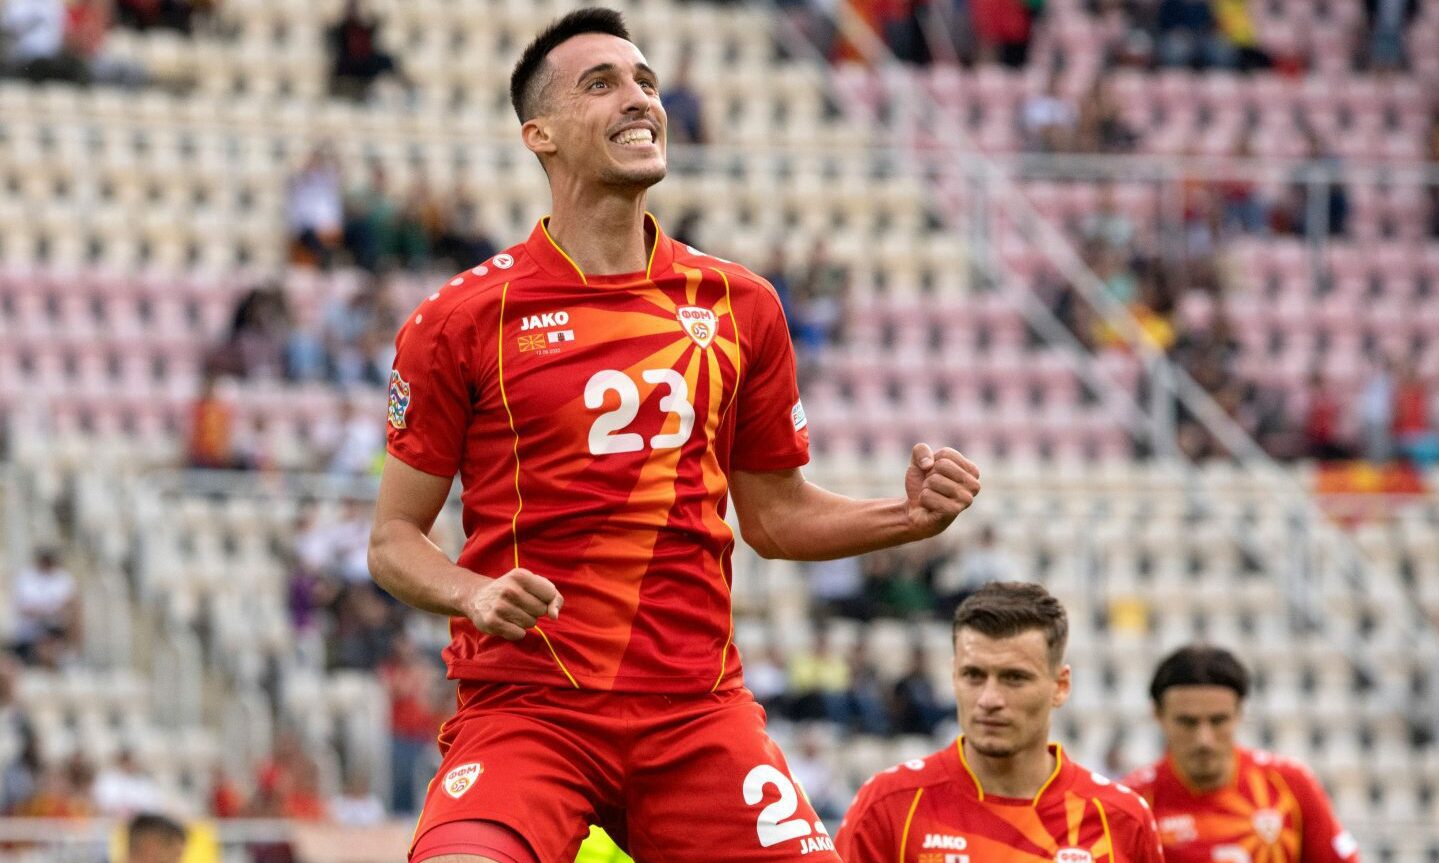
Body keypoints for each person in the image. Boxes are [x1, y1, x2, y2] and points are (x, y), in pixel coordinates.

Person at [367, 9, 982, 863]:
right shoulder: (462, 317)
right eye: (602, 83)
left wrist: (904, 518)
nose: (638, 99)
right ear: (537, 134)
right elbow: (393, 540)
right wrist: (471, 594)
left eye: (646, 82)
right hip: (531, 709)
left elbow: (773, 517)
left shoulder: (742, 304)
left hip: (696, 712)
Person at [835, 582, 1164, 862]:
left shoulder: (1121, 819)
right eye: (973, 675)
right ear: (953, 676)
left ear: (1060, 686)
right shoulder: (890, 804)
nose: (989, 699)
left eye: (1014, 678)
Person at [1124, 645, 1361, 862]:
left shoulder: (1289, 784)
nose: (1204, 739)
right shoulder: (1132, 804)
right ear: (1157, 715)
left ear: (1239, 713)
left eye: (1218, 721)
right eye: (1187, 722)